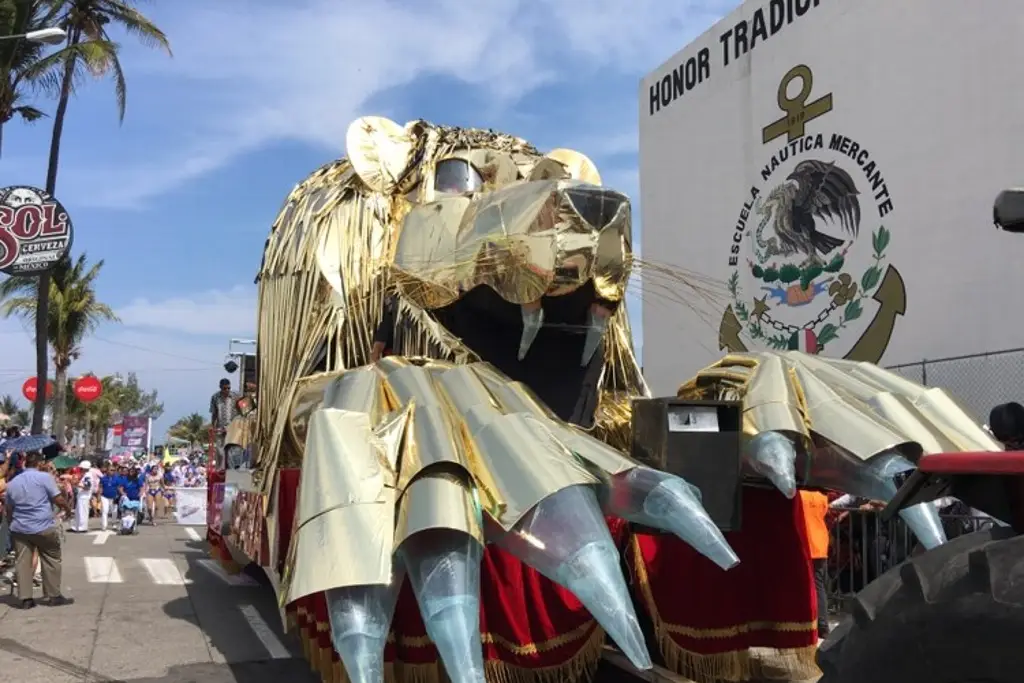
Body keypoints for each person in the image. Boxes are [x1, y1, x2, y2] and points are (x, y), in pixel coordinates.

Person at [4, 451, 73, 608]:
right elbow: (57, 498)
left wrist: (11, 523)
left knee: (23, 562)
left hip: (20, 527)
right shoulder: (44, 478)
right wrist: (67, 509)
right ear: (39, 463)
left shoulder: (13, 482)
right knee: (52, 558)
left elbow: (9, 508)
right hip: (42, 525)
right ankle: (53, 595)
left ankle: (26, 599)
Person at [799, 488, 831, 641]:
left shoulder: (799, 495)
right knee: (819, 587)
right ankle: (823, 625)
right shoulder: (821, 496)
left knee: (806, 587)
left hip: (805, 544)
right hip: (820, 544)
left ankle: (810, 622)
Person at [210, 379, 240, 469]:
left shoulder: (235, 396)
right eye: (225, 388)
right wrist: (213, 426)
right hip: (220, 428)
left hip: (233, 428)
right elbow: (214, 413)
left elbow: (241, 411)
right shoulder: (215, 397)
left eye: (228, 388)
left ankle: (233, 469)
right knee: (220, 450)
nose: (227, 390)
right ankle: (221, 469)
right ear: (220, 388)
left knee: (233, 449)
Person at [70, 459, 99, 533]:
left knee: (82, 512)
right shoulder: (86, 475)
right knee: (78, 512)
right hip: (82, 496)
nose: (80, 469)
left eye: (81, 468)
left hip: (84, 496)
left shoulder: (88, 475)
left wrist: (77, 484)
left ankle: (82, 527)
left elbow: (87, 487)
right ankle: (77, 526)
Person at [98, 462, 124, 532]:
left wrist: (123, 494)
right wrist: (99, 496)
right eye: (111, 470)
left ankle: (113, 523)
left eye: (113, 470)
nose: (112, 471)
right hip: (104, 496)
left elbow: (119, 487)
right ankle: (104, 526)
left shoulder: (117, 478)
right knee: (105, 511)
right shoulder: (103, 478)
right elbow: (100, 487)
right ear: (107, 470)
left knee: (114, 511)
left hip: (114, 497)